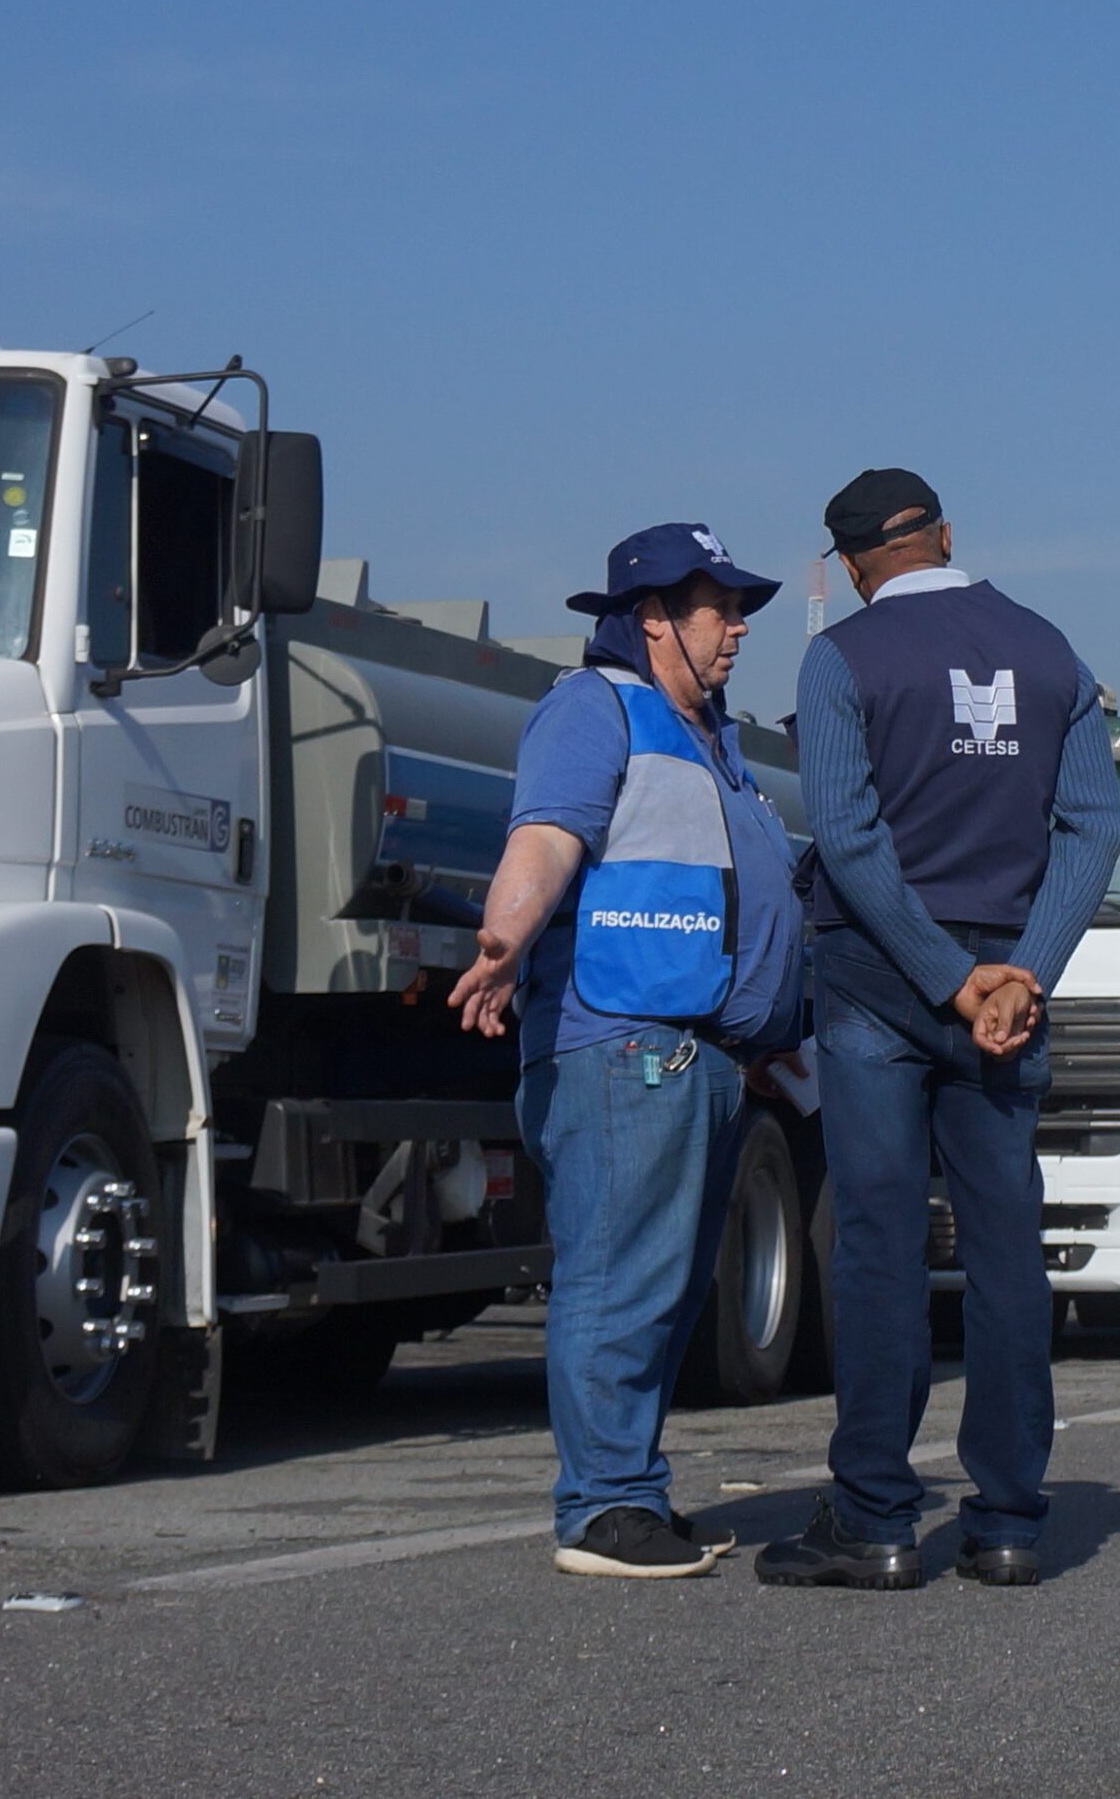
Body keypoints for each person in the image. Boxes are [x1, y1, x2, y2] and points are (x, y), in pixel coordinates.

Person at [755, 469, 1119, 1591]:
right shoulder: (1055, 652)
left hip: (879, 978)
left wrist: (945, 980)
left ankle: (875, 1515)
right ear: (949, 536)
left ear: (853, 566)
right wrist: (1020, 975)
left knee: (877, 1239)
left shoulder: (843, 659)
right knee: (1005, 1237)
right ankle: (1008, 1517)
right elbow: (1093, 828)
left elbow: (850, 840)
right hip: (1011, 984)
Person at [449, 523, 803, 1578]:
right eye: (717, 610)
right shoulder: (591, 708)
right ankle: (601, 1508)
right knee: (616, 1277)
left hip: (693, 1057)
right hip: (620, 1050)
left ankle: (632, 1488)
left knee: (667, 1285)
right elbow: (547, 835)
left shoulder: (708, 736)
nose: (737, 630)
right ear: (651, 620)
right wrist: (505, 940)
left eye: (739, 610)